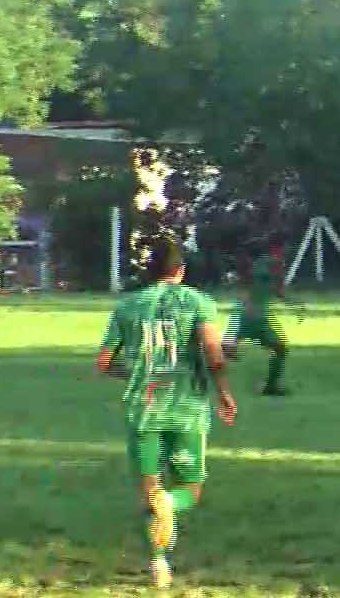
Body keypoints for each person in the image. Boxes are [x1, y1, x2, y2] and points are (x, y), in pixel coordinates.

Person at [96, 238, 236, 591]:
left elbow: (104, 363)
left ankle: (159, 564)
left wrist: (139, 373)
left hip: (144, 410)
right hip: (187, 410)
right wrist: (224, 393)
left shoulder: (128, 306)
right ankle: (170, 503)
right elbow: (214, 355)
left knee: (150, 491)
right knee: (189, 490)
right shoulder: (199, 302)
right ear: (181, 270)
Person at [223, 237, 292, 396]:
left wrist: (292, 304)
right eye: (285, 247)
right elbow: (252, 282)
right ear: (277, 248)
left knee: (279, 348)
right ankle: (271, 386)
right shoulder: (270, 264)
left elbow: (274, 290)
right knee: (279, 348)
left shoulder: (270, 265)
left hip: (251, 313)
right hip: (253, 315)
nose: (287, 251)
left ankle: (271, 386)